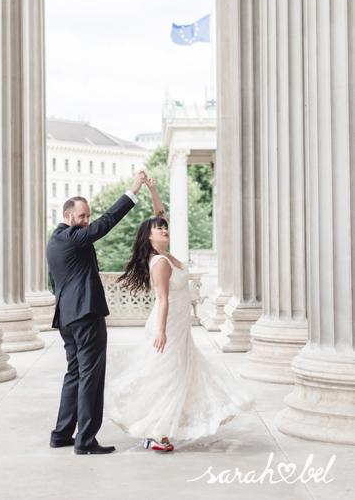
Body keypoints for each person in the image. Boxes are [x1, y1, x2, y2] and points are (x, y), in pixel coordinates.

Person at [104, 177, 255, 451]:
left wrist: (152, 189)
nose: (163, 229)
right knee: (165, 376)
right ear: (147, 237)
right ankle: (155, 434)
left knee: (180, 373)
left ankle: (161, 428)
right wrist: (161, 331)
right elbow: (162, 299)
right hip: (166, 326)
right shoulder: (159, 262)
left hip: (179, 327)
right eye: (157, 229)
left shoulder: (169, 254)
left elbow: (160, 214)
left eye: (164, 228)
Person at [46, 171, 146, 455]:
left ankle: (61, 434)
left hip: (67, 316)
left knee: (75, 374)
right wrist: (132, 191)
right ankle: (86, 440)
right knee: (91, 375)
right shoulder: (73, 237)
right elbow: (107, 222)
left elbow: (56, 283)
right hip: (85, 314)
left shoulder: (55, 241)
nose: (87, 221)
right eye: (82, 217)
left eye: (88, 216)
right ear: (68, 215)